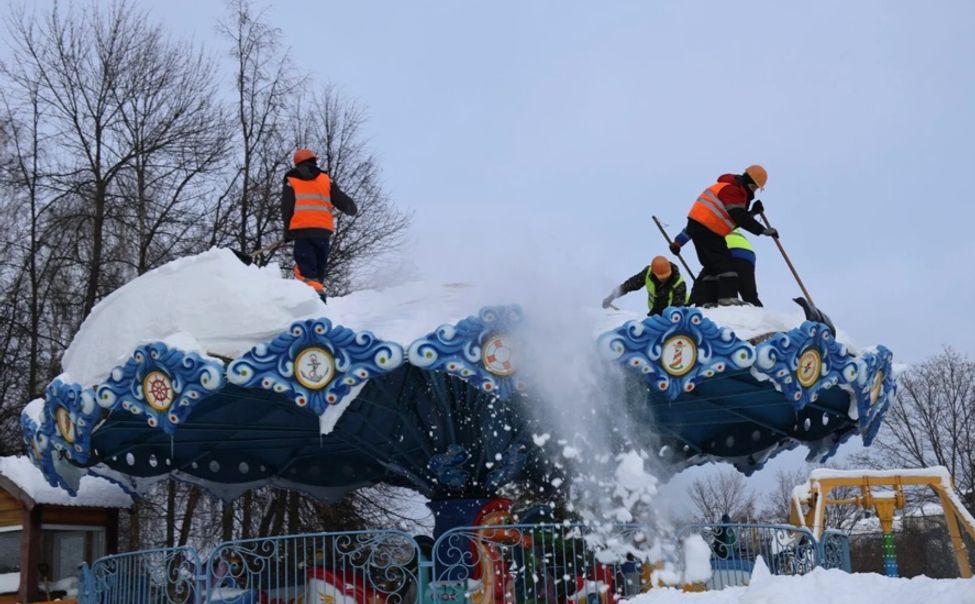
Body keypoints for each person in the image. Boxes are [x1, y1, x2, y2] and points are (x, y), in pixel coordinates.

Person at [677, 165, 777, 306]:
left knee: (711, 267)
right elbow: (738, 216)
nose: (754, 191)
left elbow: (734, 219)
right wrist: (762, 230)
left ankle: (709, 301)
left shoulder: (725, 188)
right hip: (710, 230)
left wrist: (753, 212)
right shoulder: (732, 190)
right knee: (725, 265)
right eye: (754, 188)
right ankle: (727, 299)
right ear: (749, 184)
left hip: (698, 228)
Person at [281, 148, 358, 303]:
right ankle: (318, 303)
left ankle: (312, 304)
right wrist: (351, 208)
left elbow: (287, 207)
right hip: (322, 232)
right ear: (314, 161)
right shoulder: (325, 179)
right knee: (318, 269)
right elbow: (345, 203)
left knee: (305, 271)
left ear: (297, 163)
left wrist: (287, 230)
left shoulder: (291, 180)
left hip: (301, 231)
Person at [671, 226, 763, 307]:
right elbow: (744, 218)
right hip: (746, 255)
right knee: (750, 295)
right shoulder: (728, 218)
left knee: (702, 288)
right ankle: (763, 320)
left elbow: (692, 228)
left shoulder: (707, 217)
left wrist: (677, 243)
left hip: (724, 252)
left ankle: (693, 314)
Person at [602, 256, 688, 316]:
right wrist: (612, 296)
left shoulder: (678, 284)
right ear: (654, 273)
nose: (664, 279)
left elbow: (676, 311)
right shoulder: (648, 273)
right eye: (661, 277)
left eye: (666, 276)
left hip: (681, 313)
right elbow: (630, 284)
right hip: (656, 311)